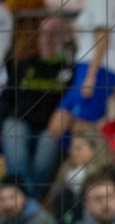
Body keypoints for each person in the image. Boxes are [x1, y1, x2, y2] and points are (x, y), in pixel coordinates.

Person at [36, 0, 115, 186]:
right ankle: (50, 187)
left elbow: (103, 36)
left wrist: (91, 76)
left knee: (82, 134)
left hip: (98, 70)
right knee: (54, 130)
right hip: (87, 68)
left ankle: (81, 186)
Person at [1, 14, 72, 196]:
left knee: (46, 148)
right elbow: (8, 98)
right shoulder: (24, 65)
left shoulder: (70, 69)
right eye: (44, 34)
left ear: (63, 37)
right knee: (12, 131)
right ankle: (25, 200)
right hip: (20, 121)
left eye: (53, 34)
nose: (47, 39)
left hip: (50, 127)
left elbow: (72, 105)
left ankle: (26, 200)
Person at [46, 121, 115, 224]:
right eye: (73, 148)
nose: (74, 153)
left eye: (79, 149)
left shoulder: (104, 172)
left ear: (93, 149)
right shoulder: (65, 169)